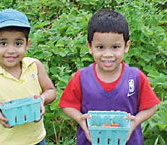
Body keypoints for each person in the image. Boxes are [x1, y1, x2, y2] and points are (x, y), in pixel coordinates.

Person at [58, 9, 160, 145]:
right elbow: (66, 105)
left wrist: (135, 121)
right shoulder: (82, 77)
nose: (108, 54)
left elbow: (151, 107)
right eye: (100, 47)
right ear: (90, 47)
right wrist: (79, 118)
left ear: (126, 46)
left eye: (115, 47)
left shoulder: (135, 77)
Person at [0, 9, 56, 145]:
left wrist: (42, 99)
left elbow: (51, 91)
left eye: (18, 43)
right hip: (7, 142)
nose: (11, 50)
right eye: (3, 43)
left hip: (37, 139)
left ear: (27, 44)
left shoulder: (34, 66)